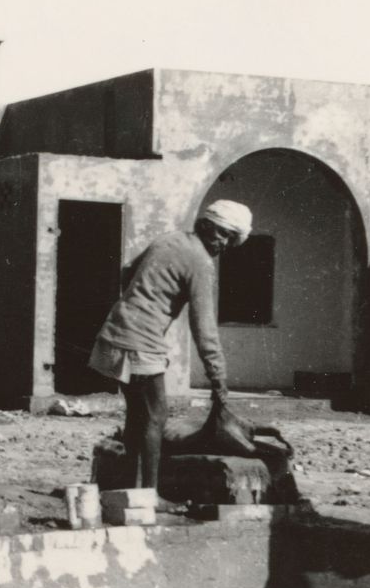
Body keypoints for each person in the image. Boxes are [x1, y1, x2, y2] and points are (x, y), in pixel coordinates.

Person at [88, 200, 252, 491]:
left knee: (138, 416)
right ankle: (148, 496)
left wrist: (147, 299)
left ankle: (127, 490)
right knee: (156, 416)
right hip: (140, 342)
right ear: (205, 226)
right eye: (222, 234)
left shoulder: (169, 240)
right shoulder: (200, 261)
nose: (224, 244)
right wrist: (219, 379)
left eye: (230, 239)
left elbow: (127, 271)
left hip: (114, 335)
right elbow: (204, 328)